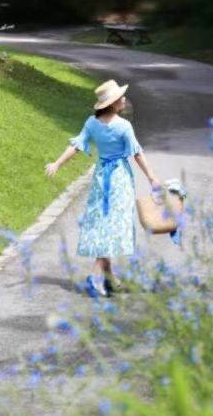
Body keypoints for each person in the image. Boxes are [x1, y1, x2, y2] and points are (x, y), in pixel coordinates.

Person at [45, 79, 160, 297]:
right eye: (121, 97)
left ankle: (111, 280)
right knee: (112, 227)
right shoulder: (124, 126)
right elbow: (136, 152)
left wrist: (57, 163)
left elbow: (76, 145)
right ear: (114, 103)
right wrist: (152, 177)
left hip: (100, 178)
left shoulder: (92, 123)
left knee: (104, 224)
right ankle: (96, 277)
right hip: (119, 180)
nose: (124, 99)